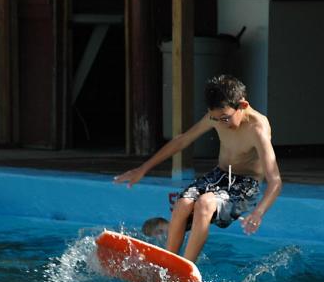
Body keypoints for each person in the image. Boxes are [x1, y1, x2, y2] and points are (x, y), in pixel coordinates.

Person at [114, 75, 282, 263]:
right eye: (215, 119)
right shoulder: (217, 116)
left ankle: (186, 268)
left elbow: (275, 181)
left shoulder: (257, 128)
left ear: (242, 105)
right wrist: (143, 169)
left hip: (246, 187)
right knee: (183, 203)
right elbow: (182, 140)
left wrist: (258, 212)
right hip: (220, 175)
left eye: (225, 118)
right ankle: (167, 263)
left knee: (205, 203)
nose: (221, 123)